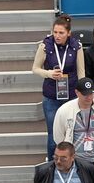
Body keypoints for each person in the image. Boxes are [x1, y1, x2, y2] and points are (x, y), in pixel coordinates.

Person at [32, 16, 86, 159]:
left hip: (71, 96)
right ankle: (52, 165)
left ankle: (73, 163)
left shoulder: (76, 46)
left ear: (68, 33)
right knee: (53, 134)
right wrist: (48, 73)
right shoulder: (45, 46)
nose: (57, 36)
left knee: (74, 131)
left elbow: (81, 73)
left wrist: (82, 96)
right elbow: (35, 69)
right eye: (55, 32)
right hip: (51, 96)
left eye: (61, 33)